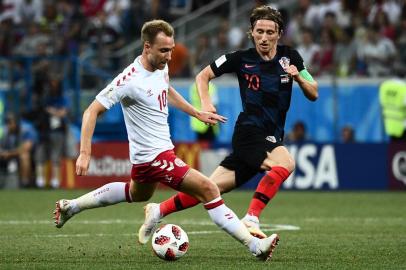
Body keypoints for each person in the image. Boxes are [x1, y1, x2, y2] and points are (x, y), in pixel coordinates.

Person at [53, 19, 279, 261]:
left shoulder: (161, 66)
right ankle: (255, 245)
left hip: (146, 158)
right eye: (163, 50)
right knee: (209, 188)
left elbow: (166, 88)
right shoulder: (129, 80)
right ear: (146, 47)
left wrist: (196, 112)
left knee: (136, 193)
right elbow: (91, 111)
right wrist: (86, 153)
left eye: (171, 49)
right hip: (155, 157)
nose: (169, 56)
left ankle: (71, 206)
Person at [139, 5, 318, 242]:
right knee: (285, 163)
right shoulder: (240, 59)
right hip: (249, 131)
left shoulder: (291, 57)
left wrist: (298, 78)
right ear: (251, 32)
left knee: (211, 188)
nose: (264, 37)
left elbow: (313, 91)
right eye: (259, 31)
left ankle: (158, 210)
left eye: (269, 32)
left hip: (272, 135)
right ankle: (252, 218)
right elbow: (203, 76)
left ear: (279, 33)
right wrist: (206, 103)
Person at [0, 113, 37, 188]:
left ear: (16, 123)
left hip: (19, 154)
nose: (8, 125)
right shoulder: (4, 130)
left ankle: (24, 183)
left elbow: (26, 148)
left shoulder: (26, 129)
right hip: (5, 154)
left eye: (10, 123)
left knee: (25, 156)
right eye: (7, 123)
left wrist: (9, 154)